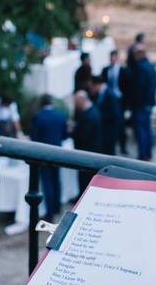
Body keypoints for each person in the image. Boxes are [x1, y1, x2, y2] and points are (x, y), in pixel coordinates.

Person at [30, 94, 69, 222]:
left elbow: (35, 138)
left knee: (48, 183)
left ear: (42, 103)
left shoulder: (39, 117)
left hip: (44, 154)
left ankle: (50, 213)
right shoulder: (61, 115)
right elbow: (64, 135)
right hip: (57, 152)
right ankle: (57, 207)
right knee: (56, 180)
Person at [128, 44, 156, 160]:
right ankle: (148, 152)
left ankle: (143, 154)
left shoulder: (140, 68)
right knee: (147, 128)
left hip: (141, 104)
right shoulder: (150, 66)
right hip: (149, 102)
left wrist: (134, 104)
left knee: (141, 130)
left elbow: (139, 88)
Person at [72, 90, 103, 192]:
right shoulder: (92, 111)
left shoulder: (89, 115)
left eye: (76, 102)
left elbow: (83, 136)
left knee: (85, 179)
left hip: (87, 151)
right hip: (91, 151)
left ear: (81, 100)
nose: (76, 105)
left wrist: (73, 131)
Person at [101, 49, 128, 154]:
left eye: (114, 57)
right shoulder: (105, 70)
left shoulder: (123, 70)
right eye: (111, 57)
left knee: (121, 125)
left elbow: (127, 87)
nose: (112, 59)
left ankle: (123, 146)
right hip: (109, 100)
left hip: (119, 100)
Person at [90, 75, 122, 156]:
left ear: (96, 85)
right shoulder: (101, 93)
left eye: (92, 87)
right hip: (105, 129)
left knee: (109, 153)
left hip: (110, 130)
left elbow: (114, 114)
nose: (91, 89)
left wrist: (98, 115)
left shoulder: (110, 94)